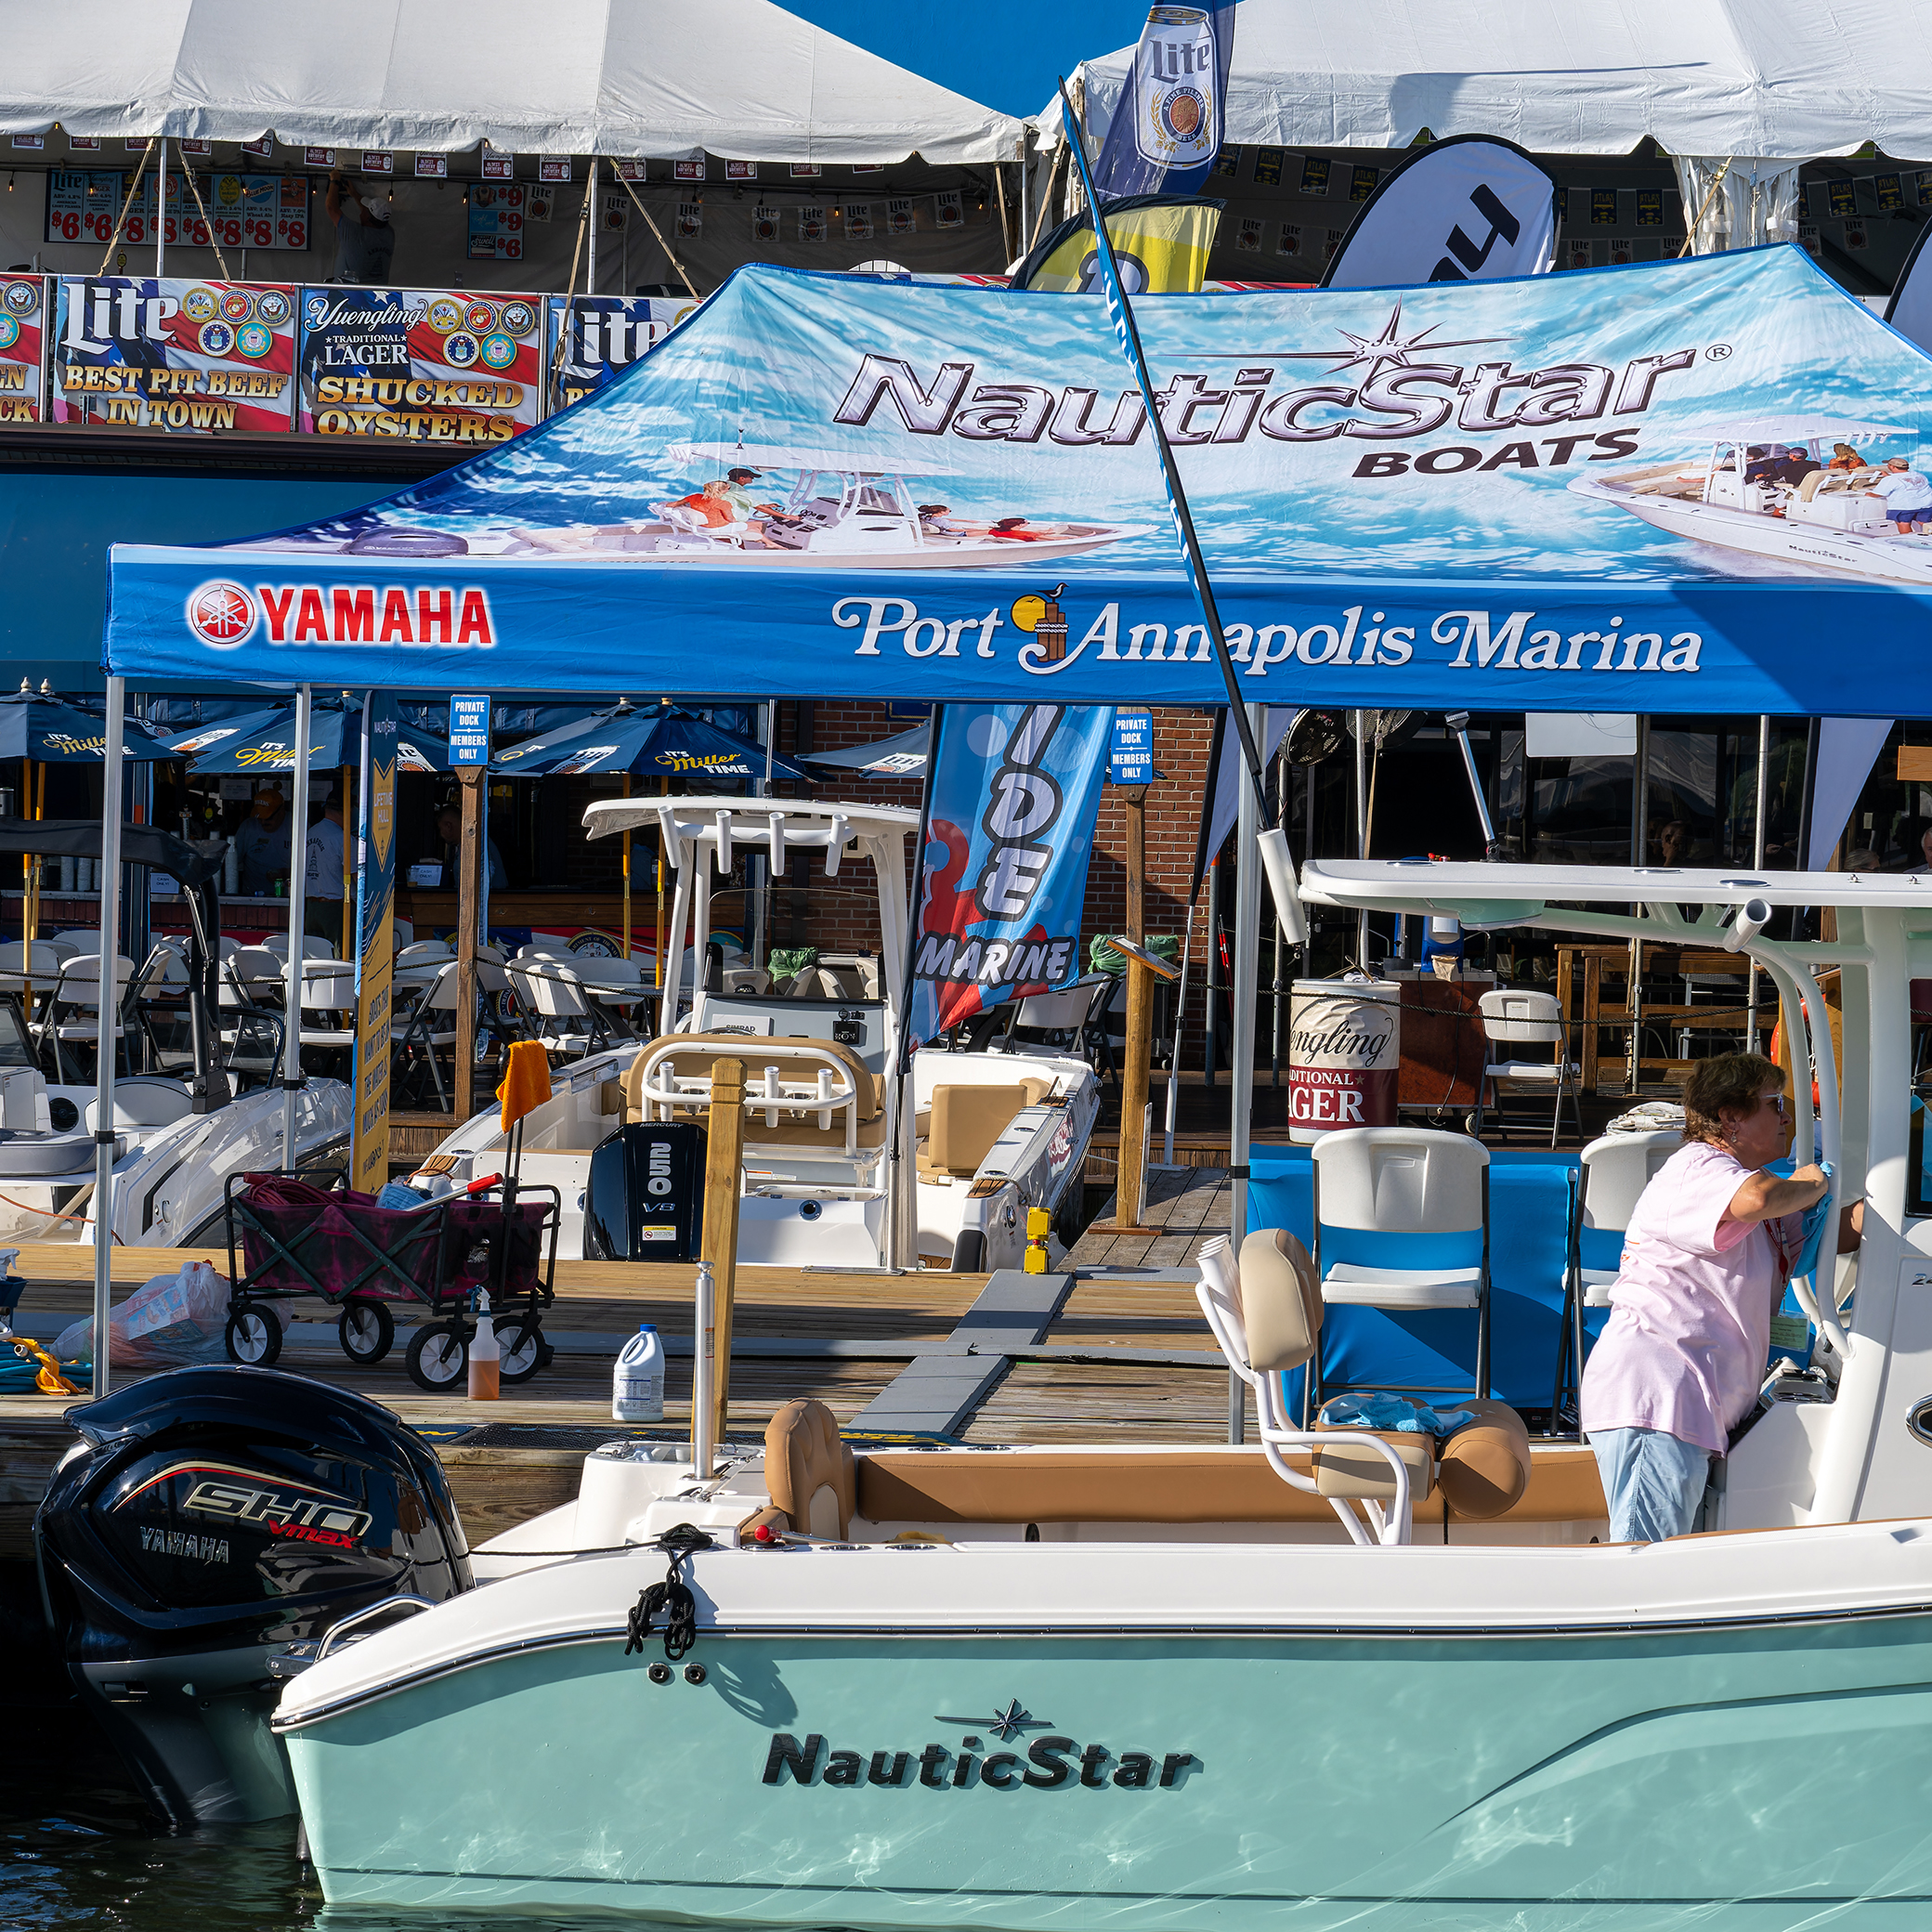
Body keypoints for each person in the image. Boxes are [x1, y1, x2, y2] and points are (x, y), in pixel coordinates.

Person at [1580, 1053, 1860, 1543]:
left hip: (1690, 1406)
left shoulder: (1754, 1193)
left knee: (1667, 1561)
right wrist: (1816, 1181)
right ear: (1730, 1117)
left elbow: (1832, 1234)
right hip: (1660, 1399)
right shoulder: (1697, 1168)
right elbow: (1758, 1200)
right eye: (1774, 1105)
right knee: (1643, 1567)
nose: (1788, 1117)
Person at [326, 172, 395, 283]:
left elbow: (331, 208)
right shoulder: (389, 235)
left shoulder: (354, 233)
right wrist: (354, 194)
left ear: (367, 217)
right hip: (376, 296)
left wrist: (334, 180)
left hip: (346, 294)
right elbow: (372, 216)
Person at [305, 788, 348, 952]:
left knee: (314, 956)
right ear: (348, 810)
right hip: (334, 908)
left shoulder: (309, 833)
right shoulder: (342, 838)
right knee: (336, 959)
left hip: (311, 907)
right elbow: (357, 876)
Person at [434, 804, 507, 892]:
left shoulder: (472, 841)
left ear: (448, 826)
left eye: (440, 829)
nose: (440, 834)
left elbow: (487, 872)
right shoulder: (467, 842)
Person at [232, 786, 291, 895]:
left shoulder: (297, 826)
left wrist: (285, 873)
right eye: (259, 818)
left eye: (268, 818)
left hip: (288, 899)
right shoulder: (248, 827)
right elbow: (232, 862)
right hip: (252, 897)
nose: (263, 822)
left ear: (281, 810)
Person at [1866, 455, 1932, 534]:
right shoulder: (1919, 475)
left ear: (1892, 466)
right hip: (1926, 505)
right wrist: (1888, 476)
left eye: (1888, 465)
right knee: (1925, 523)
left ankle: (1909, 543)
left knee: (1904, 525)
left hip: (1904, 507)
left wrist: (1868, 494)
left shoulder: (1889, 480)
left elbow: (1878, 494)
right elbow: (1907, 482)